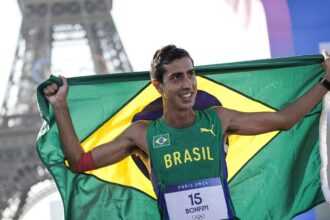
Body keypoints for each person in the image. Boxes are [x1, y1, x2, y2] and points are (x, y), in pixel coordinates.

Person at [43, 45, 330, 220]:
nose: (187, 84)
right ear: (158, 85)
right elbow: (79, 162)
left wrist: (326, 82)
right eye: (176, 77)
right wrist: (60, 106)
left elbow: (284, 120)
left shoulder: (219, 119)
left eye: (191, 74)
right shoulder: (142, 134)